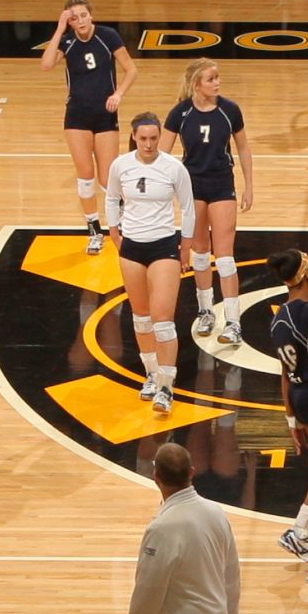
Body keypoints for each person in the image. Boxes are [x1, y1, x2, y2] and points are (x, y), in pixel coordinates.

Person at [121, 442, 240, 614]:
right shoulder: (216, 512)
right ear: (192, 472)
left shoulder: (162, 529)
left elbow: (148, 592)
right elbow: (231, 577)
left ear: (155, 477)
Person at [108, 112, 195, 414]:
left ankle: (167, 388)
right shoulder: (121, 165)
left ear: (160, 137)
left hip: (163, 247)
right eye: (143, 138)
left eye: (154, 138)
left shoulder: (174, 168)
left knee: (163, 320)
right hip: (132, 248)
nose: (148, 144)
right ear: (133, 137)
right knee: (141, 318)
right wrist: (114, 233)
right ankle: (150, 375)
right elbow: (111, 198)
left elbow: (187, 208)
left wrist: (185, 246)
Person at [164, 59, 253, 349]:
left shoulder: (230, 110)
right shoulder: (181, 112)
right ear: (196, 84)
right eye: (211, 79)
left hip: (221, 183)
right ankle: (205, 312)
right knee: (200, 252)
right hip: (192, 186)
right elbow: (163, 154)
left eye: (217, 78)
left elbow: (242, 147)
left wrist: (248, 186)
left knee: (225, 257)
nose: (217, 83)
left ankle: (233, 321)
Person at [40, 0, 133, 254]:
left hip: (105, 116)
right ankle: (94, 231)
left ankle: (119, 224)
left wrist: (118, 94)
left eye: (83, 15)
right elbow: (46, 65)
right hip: (77, 117)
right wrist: (59, 30)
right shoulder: (67, 41)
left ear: (91, 16)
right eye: (73, 17)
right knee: (85, 177)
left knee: (107, 177)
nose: (79, 21)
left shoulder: (107, 36)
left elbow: (131, 70)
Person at [263, 248, 308, 585]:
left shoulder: (278, 318)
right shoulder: (305, 313)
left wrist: (291, 421)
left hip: (300, 397)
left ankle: (299, 530)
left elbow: (284, 375)